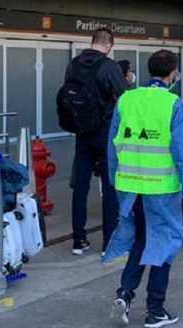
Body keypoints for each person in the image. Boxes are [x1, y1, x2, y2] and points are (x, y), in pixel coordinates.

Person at [103, 49, 183, 328]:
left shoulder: (126, 100)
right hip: (162, 189)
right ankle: (155, 311)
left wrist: (114, 182)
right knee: (164, 244)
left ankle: (124, 293)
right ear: (173, 73)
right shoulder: (174, 105)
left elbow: (113, 147)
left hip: (130, 187)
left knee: (142, 240)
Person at [65, 29, 129, 255]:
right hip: (105, 133)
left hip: (82, 132)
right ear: (109, 45)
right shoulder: (109, 67)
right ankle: (108, 242)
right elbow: (125, 98)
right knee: (110, 186)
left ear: (92, 42)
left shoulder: (73, 64)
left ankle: (78, 240)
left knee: (80, 186)